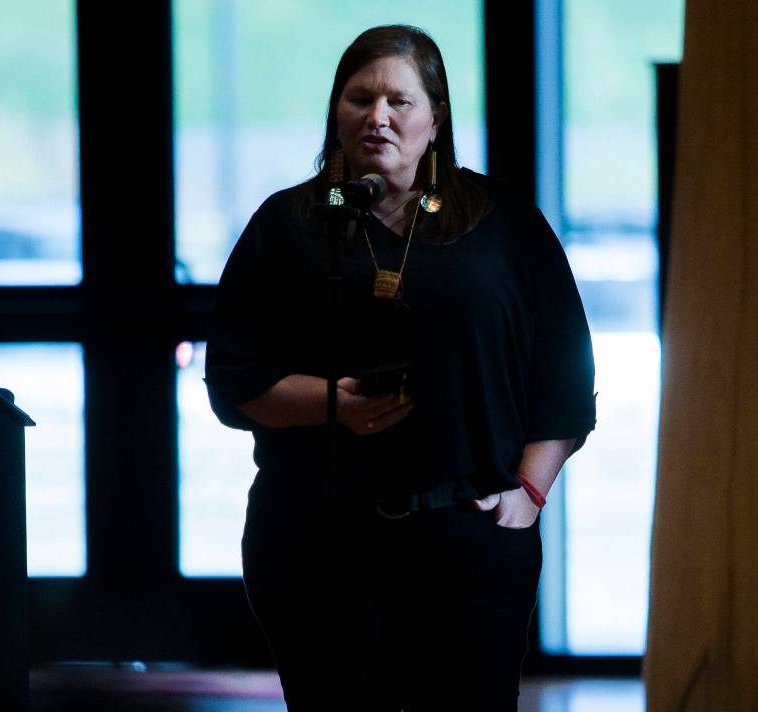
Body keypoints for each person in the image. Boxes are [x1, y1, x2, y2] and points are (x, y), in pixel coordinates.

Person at [205, 24, 596, 711]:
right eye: (359, 99)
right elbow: (234, 378)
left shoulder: (501, 221)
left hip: (469, 538)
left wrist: (530, 491)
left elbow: (564, 372)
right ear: (336, 110)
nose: (377, 117)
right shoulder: (288, 223)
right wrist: (333, 404)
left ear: (436, 118)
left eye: (399, 101)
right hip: (316, 540)